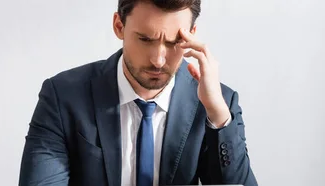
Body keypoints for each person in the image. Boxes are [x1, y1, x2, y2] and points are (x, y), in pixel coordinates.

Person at [18, 0, 257, 185]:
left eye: (174, 42)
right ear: (119, 26)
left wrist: (217, 117)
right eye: (145, 39)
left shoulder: (218, 103)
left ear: (192, 35)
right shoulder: (63, 96)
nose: (158, 59)